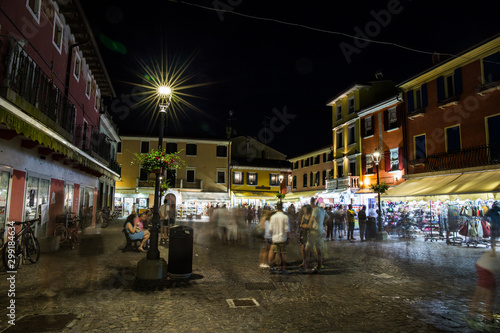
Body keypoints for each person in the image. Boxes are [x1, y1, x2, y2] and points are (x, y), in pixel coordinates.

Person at [469, 250, 500, 325]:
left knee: (490, 291)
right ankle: (487, 317)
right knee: (488, 292)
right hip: (486, 268)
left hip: (484, 266)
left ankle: (474, 313)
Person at [303, 197, 326, 273]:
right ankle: (319, 267)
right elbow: (328, 218)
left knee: (307, 249)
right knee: (319, 249)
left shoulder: (315, 210)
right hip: (320, 231)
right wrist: (321, 223)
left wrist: (306, 225)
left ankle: (306, 267)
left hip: (314, 231)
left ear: (312, 202)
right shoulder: (322, 210)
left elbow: (311, 220)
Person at [268, 203, 290, 275]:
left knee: (277, 253)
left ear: (277, 208)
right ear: (282, 208)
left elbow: (270, 229)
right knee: (283, 254)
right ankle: (283, 268)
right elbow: (287, 229)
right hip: (282, 238)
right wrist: (288, 238)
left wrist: (271, 237)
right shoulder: (285, 217)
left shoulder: (273, 217)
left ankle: (278, 267)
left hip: (275, 238)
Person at [298, 204, 313, 269]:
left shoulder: (311, 216)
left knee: (309, 249)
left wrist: (304, 225)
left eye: (305, 209)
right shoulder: (303, 216)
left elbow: (310, 226)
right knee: (303, 248)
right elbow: (301, 224)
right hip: (303, 233)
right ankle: (304, 262)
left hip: (310, 234)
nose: (304, 210)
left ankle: (309, 262)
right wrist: (305, 225)